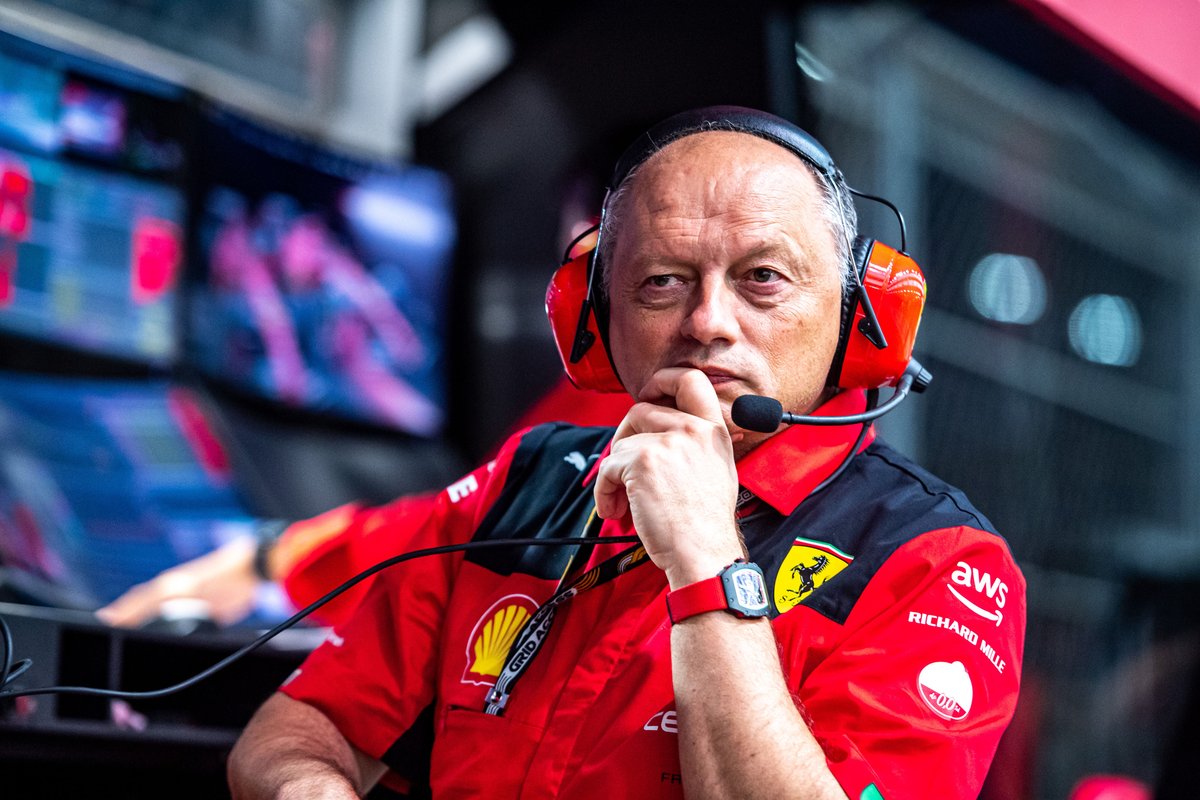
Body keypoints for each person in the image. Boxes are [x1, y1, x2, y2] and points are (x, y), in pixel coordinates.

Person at [226, 106, 1026, 800]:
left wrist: (706, 558)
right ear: (593, 319)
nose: (708, 322)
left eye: (763, 277)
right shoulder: (527, 481)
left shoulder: (939, 563)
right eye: (662, 282)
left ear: (859, 315)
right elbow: (299, 729)